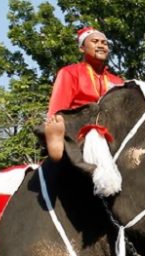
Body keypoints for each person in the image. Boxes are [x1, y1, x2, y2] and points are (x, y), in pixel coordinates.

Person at [44, 26, 124, 162]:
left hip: (111, 130)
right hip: (79, 128)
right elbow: (58, 107)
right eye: (95, 41)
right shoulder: (70, 73)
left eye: (104, 43)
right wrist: (55, 122)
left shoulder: (117, 81)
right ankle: (56, 140)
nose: (101, 45)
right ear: (82, 48)